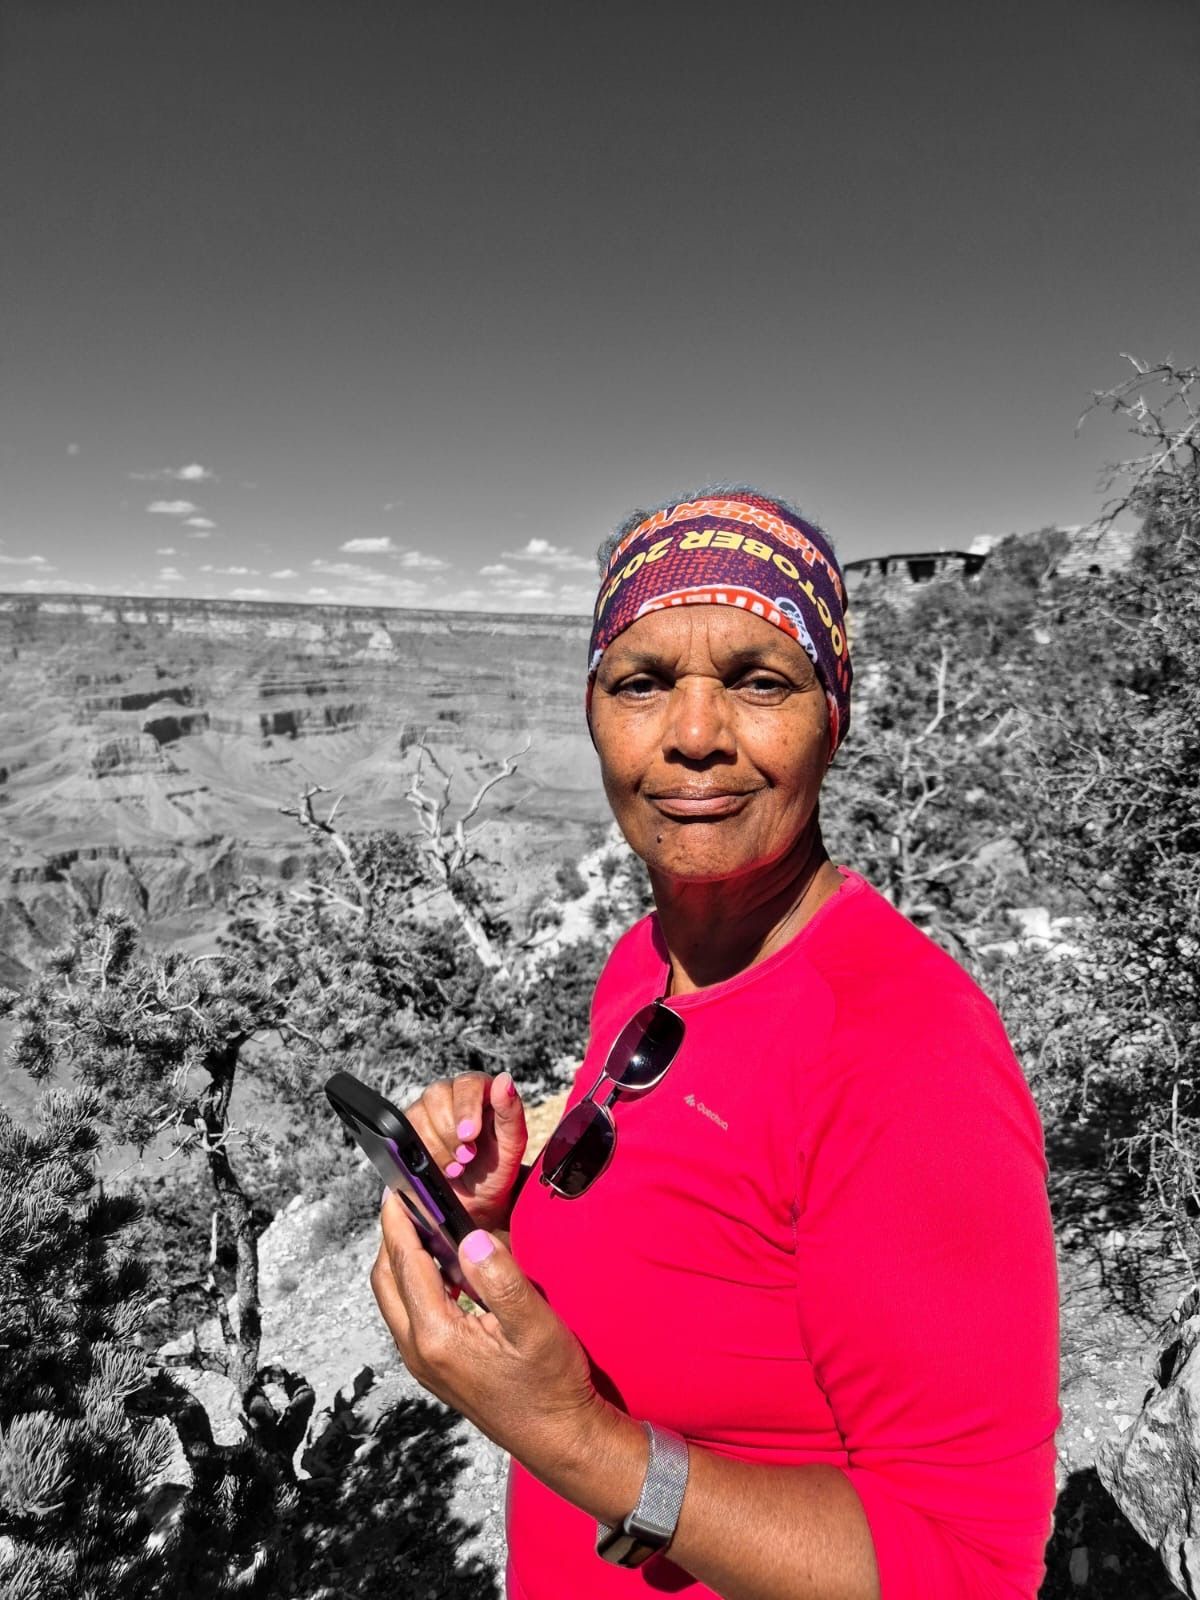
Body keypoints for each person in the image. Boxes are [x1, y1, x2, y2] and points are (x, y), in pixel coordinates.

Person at [370, 489, 1061, 1600]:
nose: (693, 735)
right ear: (591, 712)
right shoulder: (647, 958)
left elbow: (969, 1572)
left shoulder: (903, 1054)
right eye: (642, 682)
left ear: (832, 716)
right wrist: (495, 1219)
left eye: (757, 679)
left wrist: (576, 1445)